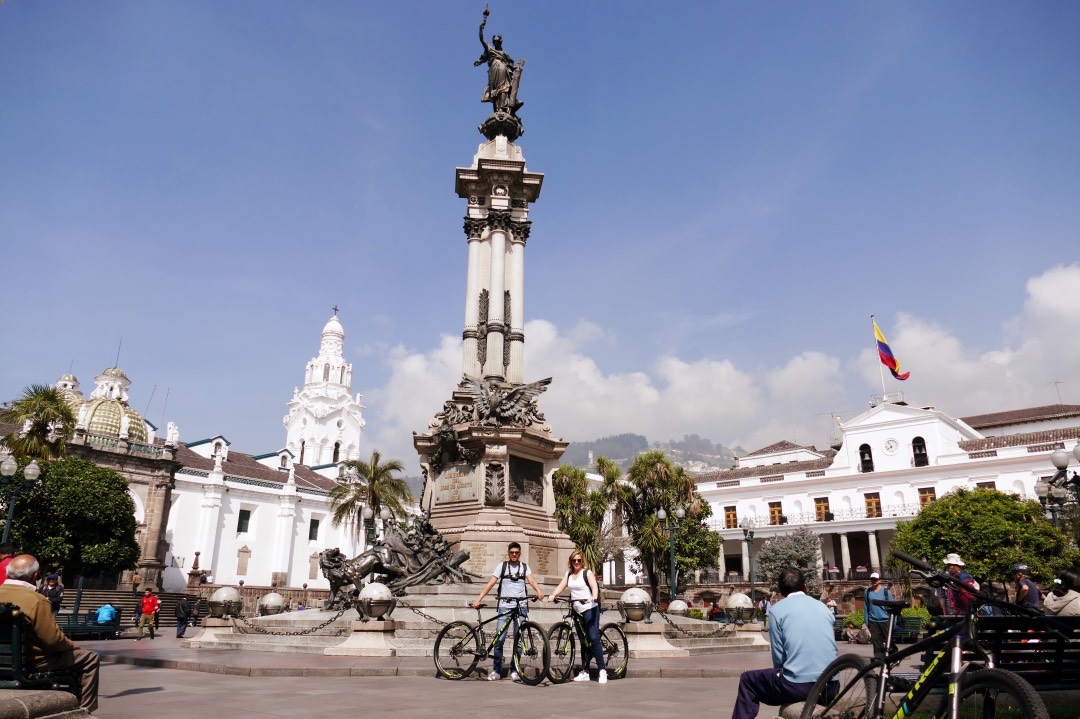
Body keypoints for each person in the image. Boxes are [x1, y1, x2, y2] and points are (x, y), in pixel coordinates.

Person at [731, 567, 837, 719]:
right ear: (805, 587)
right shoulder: (823, 607)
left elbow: (779, 658)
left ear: (781, 591)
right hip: (831, 685)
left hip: (799, 686)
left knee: (748, 680)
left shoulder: (777, 610)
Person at [0, 555, 99, 713]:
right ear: (34, 575)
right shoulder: (37, 600)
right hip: (30, 662)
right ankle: (85, 710)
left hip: (5, 660)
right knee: (90, 658)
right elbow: (52, 641)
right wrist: (71, 644)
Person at [471, 541, 544, 681]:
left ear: (520, 553)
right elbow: (491, 583)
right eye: (512, 552)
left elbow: (531, 580)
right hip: (505, 606)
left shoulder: (524, 567)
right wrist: (478, 599)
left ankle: (515, 670)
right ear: (508, 553)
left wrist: (539, 591)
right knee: (499, 639)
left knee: (519, 640)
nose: (514, 554)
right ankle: (496, 670)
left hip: (521, 607)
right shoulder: (502, 566)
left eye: (516, 552)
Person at [546, 549, 607, 684]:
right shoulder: (568, 574)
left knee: (593, 638)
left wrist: (593, 597)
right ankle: (585, 671)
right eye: (574, 560)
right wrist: (553, 595)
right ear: (571, 561)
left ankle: (602, 670)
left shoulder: (587, 573)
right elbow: (561, 586)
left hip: (590, 609)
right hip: (577, 610)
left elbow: (594, 586)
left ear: (582, 561)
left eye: (579, 560)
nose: (576, 562)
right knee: (583, 641)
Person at [473, 8, 520, 115]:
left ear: (500, 42)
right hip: (494, 69)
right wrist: (482, 24)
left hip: (503, 69)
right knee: (494, 90)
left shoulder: (504, 54)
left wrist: (517, 68)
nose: (496, 43)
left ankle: (503, 108)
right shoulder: (490, 49)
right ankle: (497, 109)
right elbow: (481, 39)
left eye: (497, 41)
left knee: (504, 88)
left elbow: (511, 65)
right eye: (494, 41)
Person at [863, 572, 896, 660]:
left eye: (875, 579)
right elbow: (866, 607)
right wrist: (866, 621)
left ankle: (893, 657)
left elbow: (892, 607)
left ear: (880, 580)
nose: (873, 581)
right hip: (873, 621)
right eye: (872, 579)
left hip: (885, 620)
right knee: (876, 642)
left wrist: (893, 621)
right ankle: (879, 659)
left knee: (889, 641)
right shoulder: (867, 592)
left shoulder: (886, 592)